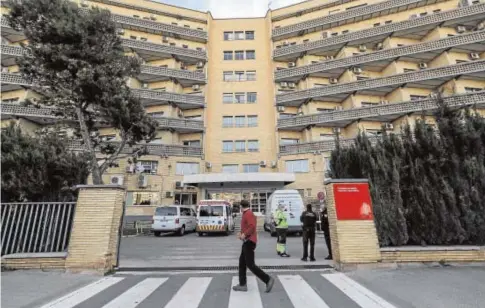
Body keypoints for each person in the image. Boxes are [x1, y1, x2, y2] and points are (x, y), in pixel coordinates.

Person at [233, 200, 275, 293]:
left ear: (241, 206)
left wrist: (244, 234)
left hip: (249, 242)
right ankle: (242, 284)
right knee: (242, 263)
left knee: (250, 265)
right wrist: (241, 233)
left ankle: (268, 279)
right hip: (247, 241)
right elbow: (247, 227)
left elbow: (252, 226)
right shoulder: (247, 213)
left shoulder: (248, 213)